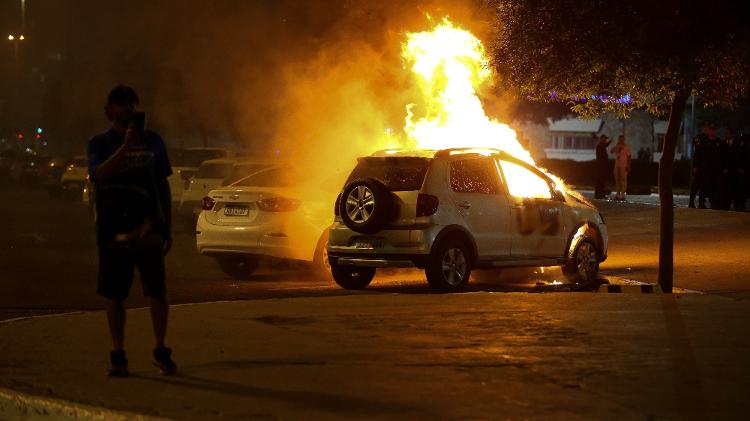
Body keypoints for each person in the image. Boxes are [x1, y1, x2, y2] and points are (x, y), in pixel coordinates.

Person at [87, 85, 176, 377]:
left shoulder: (154, 142)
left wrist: (167, 226)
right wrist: (125, 146)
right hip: (113, 233)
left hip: (148, 229)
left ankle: (161, 349)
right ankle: (118, 353)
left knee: (157, 291)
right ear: (109, 110)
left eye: (131, 104)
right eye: (120, 104)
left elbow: (162, 184)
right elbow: (99, 175)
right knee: (114, 295)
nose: (127, 109)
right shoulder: (99, 143)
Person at [689, 122, 710, 208]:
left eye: (707, 128)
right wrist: (695, 166)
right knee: (696, 185)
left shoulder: (708, 138)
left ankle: (701, 203)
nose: (706, 129)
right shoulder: (699, 138)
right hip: (699, 166)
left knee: (703, 185)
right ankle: (691, 202)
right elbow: (696, 153)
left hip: (705, 166)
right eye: (704, 127)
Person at [610, 135, 631, 201]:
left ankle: (622, 195)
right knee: (617, 180)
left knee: (623, 180)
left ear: (624, 140)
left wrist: (628, 165)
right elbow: (611, 151)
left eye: (622, 139)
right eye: (620, 139)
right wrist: (616, 146)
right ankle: (618, 194)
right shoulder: (617, 146)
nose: (621, 140)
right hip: (617, 165)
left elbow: (629, 157)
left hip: (624, 165)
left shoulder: (626, 147)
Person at [594, 134, 611, 199]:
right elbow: (605, 145)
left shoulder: (601, 145)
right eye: (604, 139)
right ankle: (599, 195)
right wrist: (609, 142)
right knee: (600, 181)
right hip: (600, 167)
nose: (605, 140)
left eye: (606, 139)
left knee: (601, 181)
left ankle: (600, 195)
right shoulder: (600, 145)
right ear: (602, 139)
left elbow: (605, 145)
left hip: (602, 167)